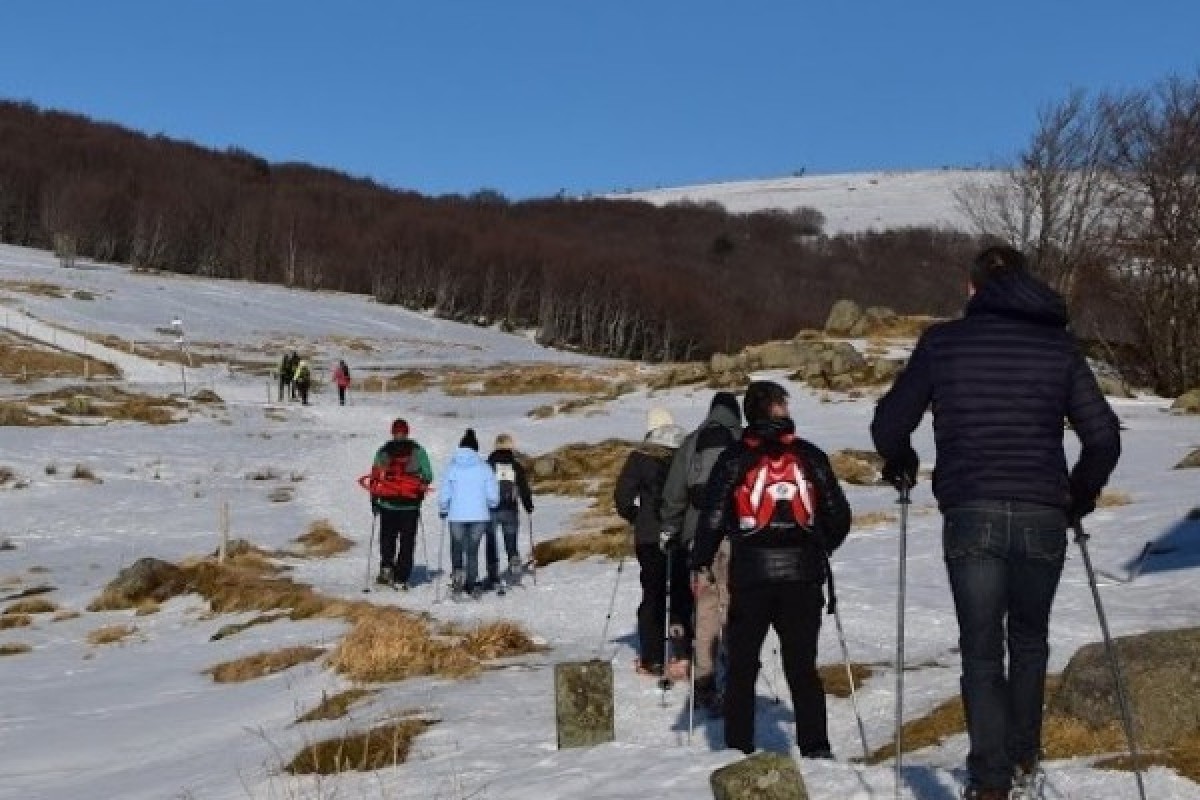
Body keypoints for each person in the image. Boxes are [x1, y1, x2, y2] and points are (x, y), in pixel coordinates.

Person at [870, 245, 1122, 800]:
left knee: (982, 650)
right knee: (1029, 641)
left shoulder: (943, 344)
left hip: (972, 510)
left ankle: (990, 784)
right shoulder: (1058, 347)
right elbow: (1102, 436)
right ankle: (1024, 758)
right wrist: (1079, 494)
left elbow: (890, 421)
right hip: (1042, 512)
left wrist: (901, 460)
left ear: (972, 289)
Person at [691, 380, 851, 758]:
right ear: (778, 408)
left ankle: (738, 749)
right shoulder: (809, 455)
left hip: (750, 574)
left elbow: (712, 516)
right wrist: (818, 546)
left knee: (743, 667)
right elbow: (839, 515)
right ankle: (816, 749)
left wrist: (701, 561)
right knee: (802, 668)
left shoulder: (734, 458)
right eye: (784, 403)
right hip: (803, 576)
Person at [660, 390, 742, 713]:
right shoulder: (742, 440)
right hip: (737, 536)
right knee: (734, 603)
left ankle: (705, 679)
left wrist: (671, 527)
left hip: (699, 537)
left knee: (705, 606)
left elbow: (675, 493)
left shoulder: (692, 442)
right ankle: (738, 676)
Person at [614, 408, 691, 680]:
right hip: (681, 534)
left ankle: (653, 659)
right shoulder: (686, 453)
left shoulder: (639, 458)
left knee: (653, 594)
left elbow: (622, 497)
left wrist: (635, 515)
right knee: (682, 593)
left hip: (649, 536)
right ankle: (682, 654)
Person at [368, 418, 433, 589]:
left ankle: (386, 568)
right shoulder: (417, 451)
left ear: (392, 432)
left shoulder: (383, 451)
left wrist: (374, 500)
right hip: (410, 504)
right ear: (407, 432)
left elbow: (374, 477)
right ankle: (402, 577)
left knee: (387, 537)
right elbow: (428, 474)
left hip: (388, 503)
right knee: (407, 541)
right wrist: (420, 490)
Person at [438, 428, 500, 598]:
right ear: (476, 448)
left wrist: (443, 509)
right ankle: (472, 584)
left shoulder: (452, 467)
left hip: (456, 516)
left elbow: (445, 493)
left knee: (457, 547)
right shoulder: (484, 467)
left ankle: (458, 577)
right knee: (472, 551)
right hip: (479, 517)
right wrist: (491, 505)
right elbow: (493, 497)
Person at [485, 433, 535, 589]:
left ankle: (493, 575)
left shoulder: (488, 465)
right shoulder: (516, 466)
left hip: (491, 509)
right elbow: (523, 488)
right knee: (510, 541)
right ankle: (513, 559)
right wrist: (528, 505)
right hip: (510, 509)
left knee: (491, 543)